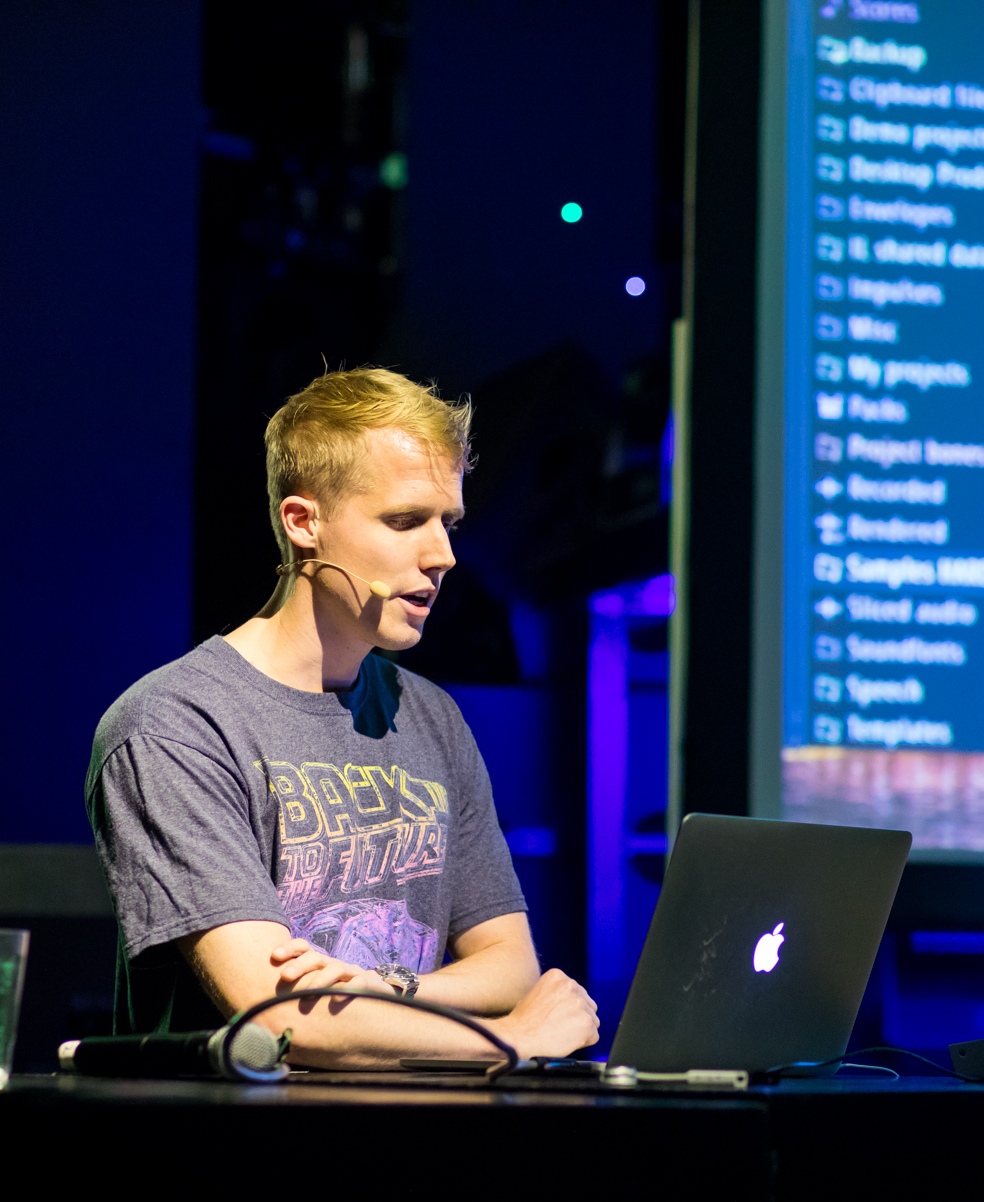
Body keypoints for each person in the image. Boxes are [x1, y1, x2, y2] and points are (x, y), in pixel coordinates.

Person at [86, 367, 599, 1068]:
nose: (444, 555)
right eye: (404, 521)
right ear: (304, 523)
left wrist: (387, 987)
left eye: (447, 522)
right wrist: (515, 1039)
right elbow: (280, 1021)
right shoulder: (176, 725)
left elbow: (510, 967)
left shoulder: (432, 716)